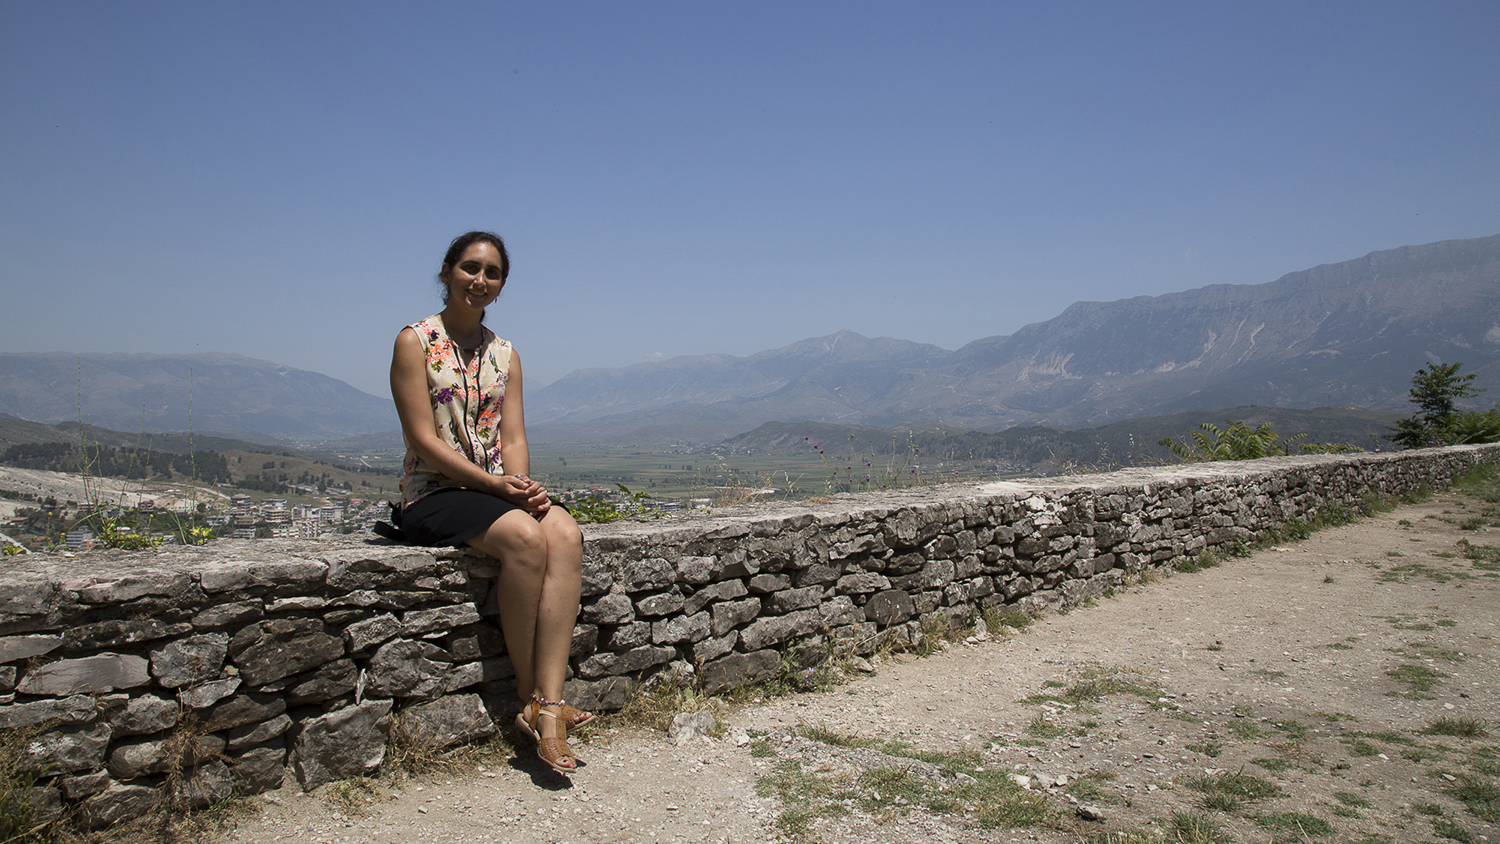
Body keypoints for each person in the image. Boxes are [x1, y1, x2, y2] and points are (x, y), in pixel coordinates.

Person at [389, 231, 588, 774]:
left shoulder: (506, 354)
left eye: (492, 272)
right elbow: (422, 441)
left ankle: (547, 701)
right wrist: (495, 487)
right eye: (470, 268)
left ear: (501, 285)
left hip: (497, 490)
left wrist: (518, 485)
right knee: (526, 538)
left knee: (565, 534)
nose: (480, 280)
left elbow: (514, 435)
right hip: (435, 492)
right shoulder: (416, 341)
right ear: (448, 271)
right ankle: (541, 707)